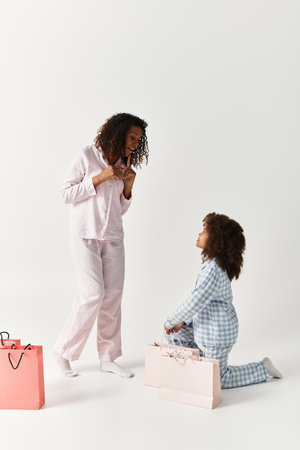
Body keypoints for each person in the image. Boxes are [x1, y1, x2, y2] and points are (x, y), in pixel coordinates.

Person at [54, 113, 149, 377]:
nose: (134, 143)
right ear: (118, 132)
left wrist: (127, 187)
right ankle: (63, 352)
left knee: (113, 296)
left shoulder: (123, 163)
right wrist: (100, 177)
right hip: (84, 233)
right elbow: (65, 193)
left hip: (113, 236)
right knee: (92, 293)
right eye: (132, 137)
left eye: (138, 139)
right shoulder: (87, 155)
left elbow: (119, 208)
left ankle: (108, 357)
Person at [164, 212, 282, 388]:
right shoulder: (212, 266)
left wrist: (172, 320)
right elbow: (201, 302)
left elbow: (196, 300)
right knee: (177, 334)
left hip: (216, 333)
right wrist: (182, 322)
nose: (199, 234)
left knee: (218, 379)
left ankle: (262, 368)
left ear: (216, 240)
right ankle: (195, 368)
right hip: (204, 327)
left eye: (204, 231)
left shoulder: (214, 269)